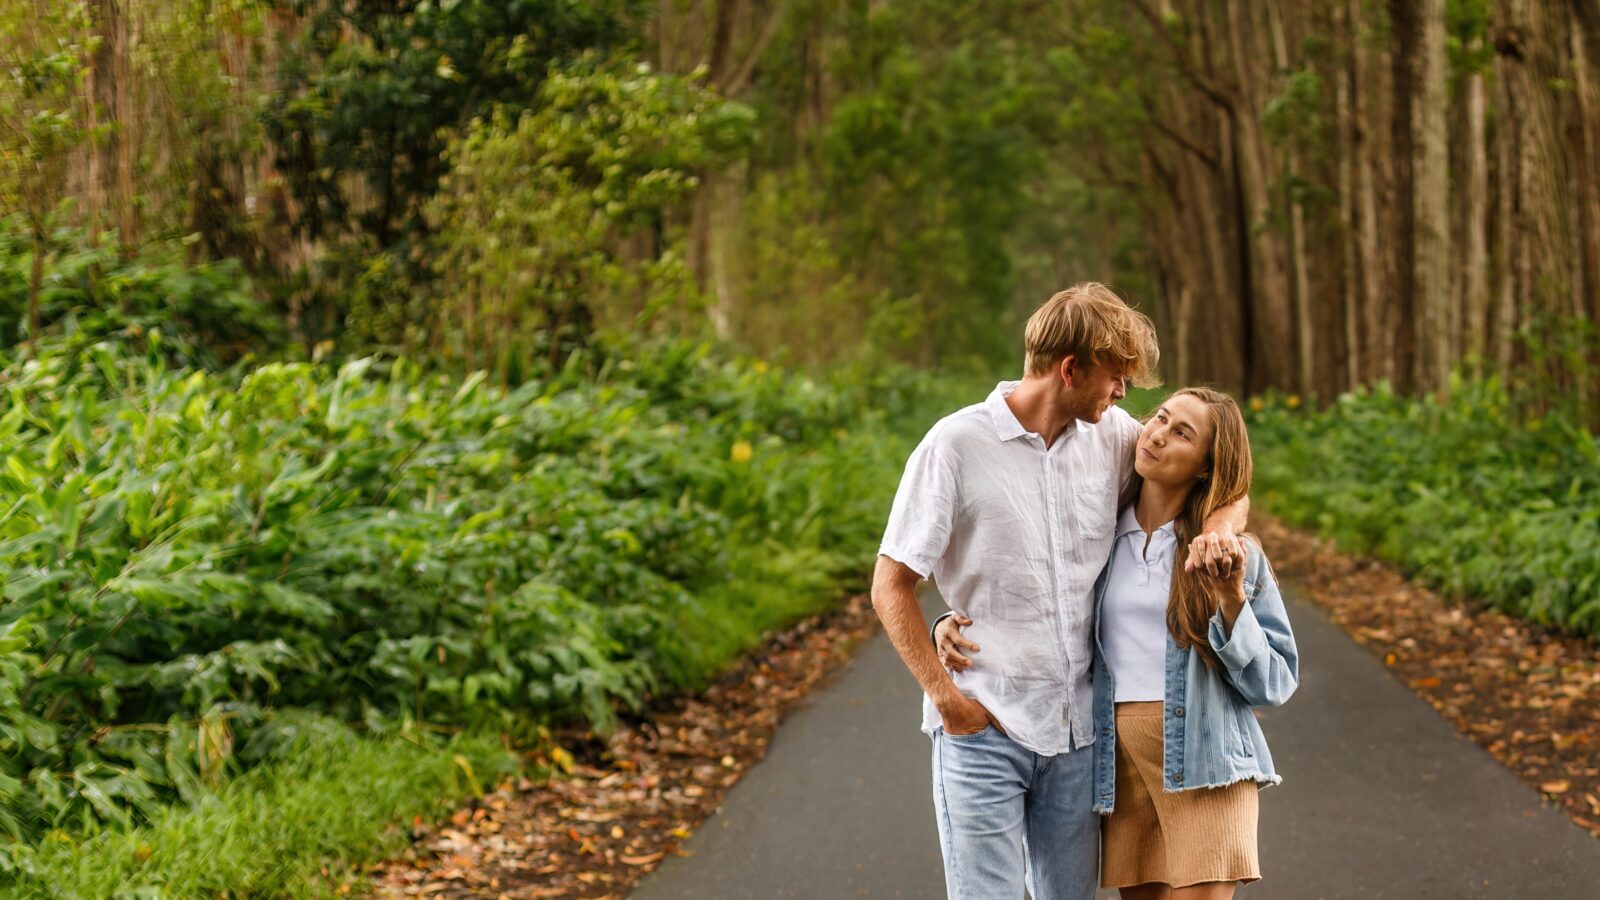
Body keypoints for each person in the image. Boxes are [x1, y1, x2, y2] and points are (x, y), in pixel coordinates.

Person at [871, 284, 1248, 900]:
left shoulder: (1114, 438)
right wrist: (946, 699)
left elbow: (1223, 477)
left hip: (1078, 739)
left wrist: (1219, 530)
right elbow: (890, 585)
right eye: (1115, 377)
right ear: (1070, 369)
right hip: (982, 727)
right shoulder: (955, 446)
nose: (1124, 393)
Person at [936, 387, 1299, 899]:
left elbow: (1275, 683)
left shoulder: (1231, 557)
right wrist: (948, 622)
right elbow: (1038, 599)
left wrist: (1231, 600)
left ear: (1204, 466)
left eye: (1182, 434)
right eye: (1161, 419)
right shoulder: (1100, 538)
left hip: (1204, 766)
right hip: (1120, 772)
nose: (1157, 435)